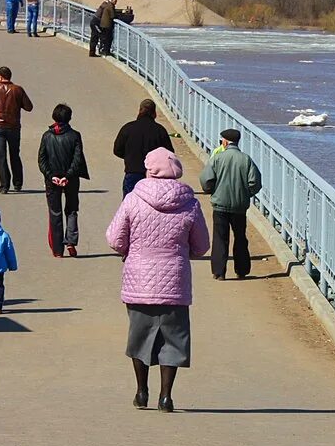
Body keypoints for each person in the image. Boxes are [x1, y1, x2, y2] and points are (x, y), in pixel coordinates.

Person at [106, 148, 209, 412]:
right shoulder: (190, 202)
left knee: (139, 336)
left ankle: (141, 391)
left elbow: (115, 239)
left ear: (148, 168)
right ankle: (166, 396)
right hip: (175, 281)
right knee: (174, 339)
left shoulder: (133, 198)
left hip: (138, 280)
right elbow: (201, 246)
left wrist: (131, 250)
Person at [199, 128, 262, 280]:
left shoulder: (217, 158)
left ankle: (219, 272)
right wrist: (246, 194)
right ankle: (241, 270)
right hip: (239, 206)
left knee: (220, 237)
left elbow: (206, 179)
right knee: (240, 236)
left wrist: (211, 191)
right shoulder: (246, 159)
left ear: (225, 142)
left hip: (220, 204)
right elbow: (255, 182)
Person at [37, 103, 90, 258]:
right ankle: (71, 241)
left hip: (51, 180)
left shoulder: (47, 136)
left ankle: (57, 250)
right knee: (72, 209)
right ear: (70, 118)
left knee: (55, 212)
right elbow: (77, 159)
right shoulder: (75, 135)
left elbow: (41, 160)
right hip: (71, 179)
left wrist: (51, 175)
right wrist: (68, 175)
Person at [0, 66, 34, 194]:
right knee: (15, 155)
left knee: (1, 156)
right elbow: (29, 107)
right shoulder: (18, 90)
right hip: (14, 127)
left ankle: (4, 186)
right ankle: (18, 183)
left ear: (0, 76)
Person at [113, 98, 173, 196]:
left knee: (130, 206)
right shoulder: (160, 131)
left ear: (140, 111)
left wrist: (130, 156)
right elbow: (169, 153)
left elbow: (117, 150)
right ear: (154, 113)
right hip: (154, 176)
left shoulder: (128, 128)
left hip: (132, 173)